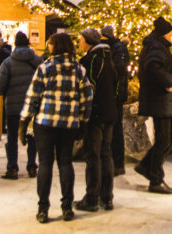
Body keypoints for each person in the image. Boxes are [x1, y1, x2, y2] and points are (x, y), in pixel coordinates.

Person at [20, 32, 93, 224]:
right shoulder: (79, 69)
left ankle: (43, 208)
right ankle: (67, 207)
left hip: (45, 122)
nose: (48, 47)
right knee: (65, 162)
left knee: (45, 163)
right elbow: (87, 97)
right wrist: (83, 120)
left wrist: (23, 121)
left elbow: (33, 96)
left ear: (56, 46)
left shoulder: (45, 67)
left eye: (50, 44)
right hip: (68, 123)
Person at [135, 16, 172, 194]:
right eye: (171, 33)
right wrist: (169, 82)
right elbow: (153, 67)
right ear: (164, 34)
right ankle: (155, 179)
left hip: (163, 101)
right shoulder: (156, 46)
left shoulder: (157, 45)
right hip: (160, 100)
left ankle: (147, 166)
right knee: (164, 139)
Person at [75, 28, 117, 212]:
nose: (79, 43)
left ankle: (92, 197)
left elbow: (88, 87)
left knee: (93, 154)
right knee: (106, 153)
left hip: (96, 113)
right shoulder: (109, 58)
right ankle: (107, 197)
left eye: (81, 40)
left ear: (89, 41)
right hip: (110, 112)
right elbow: (116, 84)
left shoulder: (91, 60)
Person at [0, 30, 43, 179]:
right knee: (32, 136)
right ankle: (32, 166)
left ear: (15, 44)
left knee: (12, 138)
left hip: (13, 106)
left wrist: (5, 93)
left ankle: (12, 168)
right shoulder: (38, 61)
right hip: (33, 106)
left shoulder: (8, 62)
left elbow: (0, 82)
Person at [100, 24, 130, 175]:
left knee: (115, 127)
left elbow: (120, 68)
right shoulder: (115, 47)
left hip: (116, 92)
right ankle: (112, 162)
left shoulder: (115, 48)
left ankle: (117, 163)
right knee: (113, 127)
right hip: (113, 92)